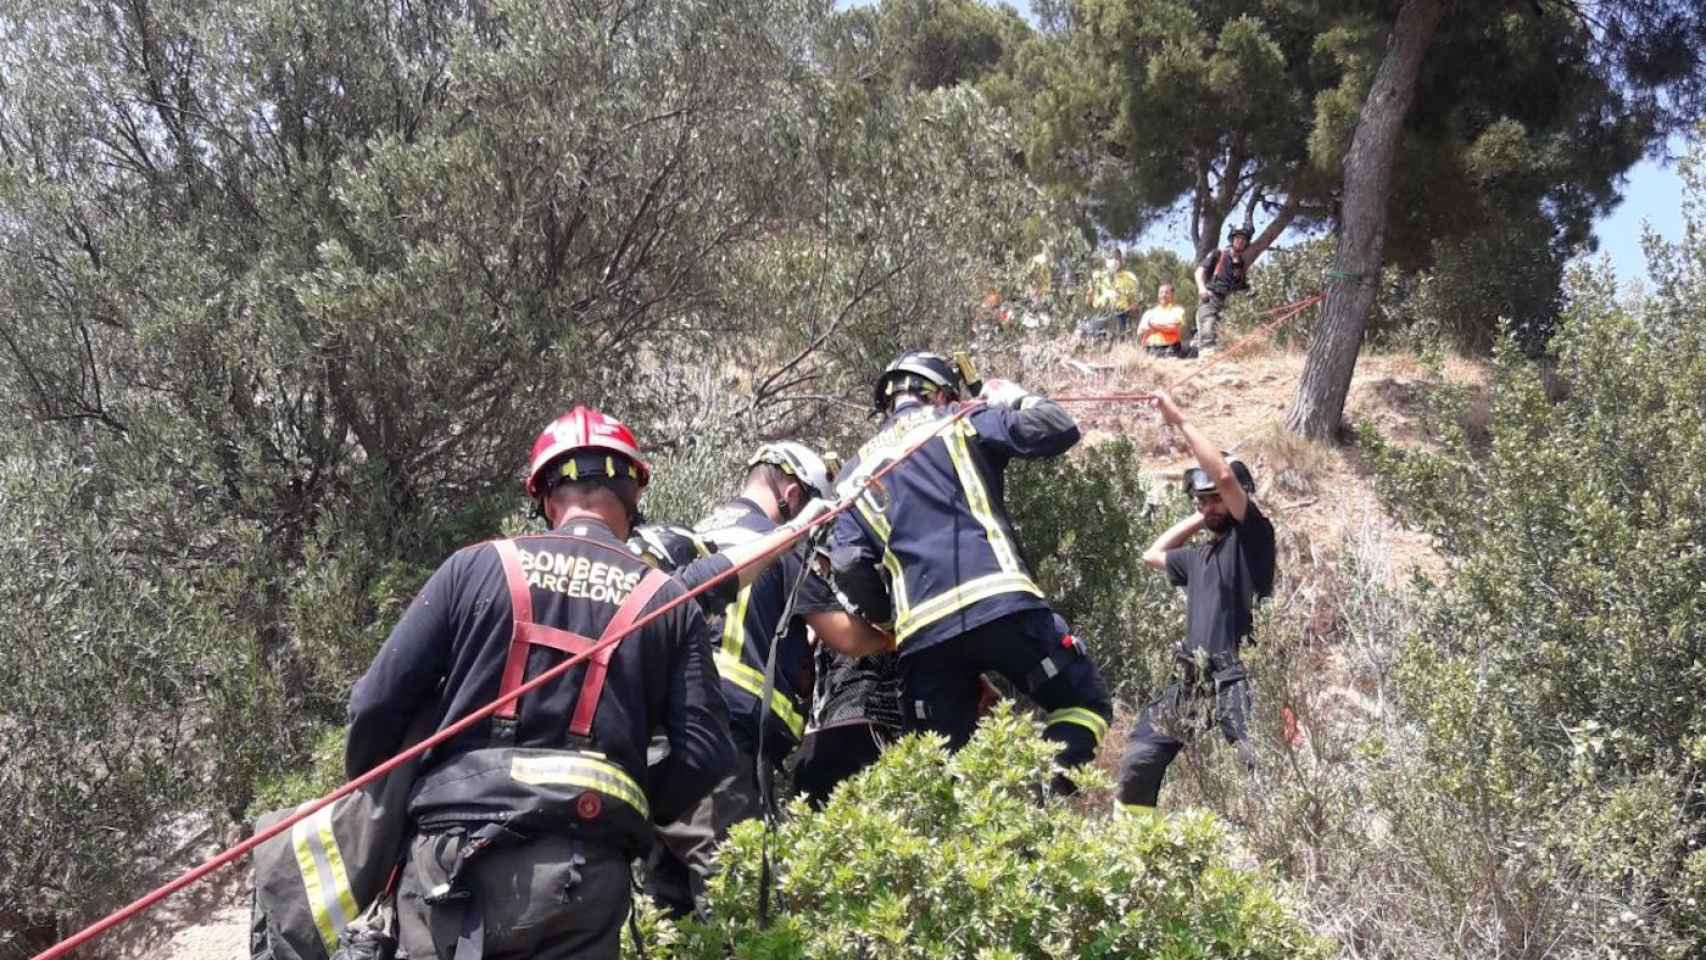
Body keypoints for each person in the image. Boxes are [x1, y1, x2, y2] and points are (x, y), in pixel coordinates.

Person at [345, 405, 737, 960]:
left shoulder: (474, 567)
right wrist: (622, 807)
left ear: (546, 497)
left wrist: (380, 806)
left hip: (450, 862)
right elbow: (705, 755)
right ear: (632, 496)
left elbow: (374, 703)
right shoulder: (667, 602)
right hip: (584, 876)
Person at [827, 351, 1114, 795]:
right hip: (1002, 604)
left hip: (923, 639)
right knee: (1083, 703)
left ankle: (972, 843)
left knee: (938, 771)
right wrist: (1012, 398)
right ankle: (1035, 804)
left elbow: (848, 566)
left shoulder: (852, 475)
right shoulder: (961, 419)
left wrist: (888, 622)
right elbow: (1058, 427)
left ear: (887, 403)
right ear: (941, 392)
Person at [644, 442, 886, 917]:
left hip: (654, 747)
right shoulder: (781, 544)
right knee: (743, 902)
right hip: (722, 745)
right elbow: (842, 634)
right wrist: (892, 640)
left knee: (667, 912)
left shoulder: (691, 539)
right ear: (793, 496)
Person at [1115, 391, 1276, 814]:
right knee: (1140, 759)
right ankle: (1135, 848)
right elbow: (1153, 554)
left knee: (1262, 772)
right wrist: (1203, 513)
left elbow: (1223, 476)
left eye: (1215, 498)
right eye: (1200, 499)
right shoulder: (1198, 558)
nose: (1208, 504)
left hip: (1240, 681)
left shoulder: (1253, 541)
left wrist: (1179, 421)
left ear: (1240, 496)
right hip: (1194, 680)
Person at [1192, 226, 1254, 355]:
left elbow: (1243, 288)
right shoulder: (1218, 254)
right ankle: (1205, 356)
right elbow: (1199, 272)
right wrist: (1202, 289)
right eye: (1238, 238)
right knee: (1208, 325)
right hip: (1211, 296)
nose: (1240, 241)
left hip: (1228, 303)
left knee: (1225, 333)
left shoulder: (1242, 265)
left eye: (1243, 239)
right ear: (1232, 239)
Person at [1078, 249, 1140, 339]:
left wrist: (1134, 314)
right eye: (1111, 258)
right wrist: (1086, 307)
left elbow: (1133, 302)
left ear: (1122, 260)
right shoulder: (1097, 276)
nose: (1114, 261)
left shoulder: (1130, 278)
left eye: (1117, 258)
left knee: (1114, 338)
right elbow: (1089, 297)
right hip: (1099, 313)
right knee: (1090, 334)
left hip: (1119, 314)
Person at [1134, 282, 1187, 358]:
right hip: (1150, 349)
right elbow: (1140, 332)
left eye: (1166, 293)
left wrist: (1153, 326)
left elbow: (1173, 328)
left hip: (1170, 349)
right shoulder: (1149, 313)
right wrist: (1164, 326)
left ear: (1172, 295)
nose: (1163, 295)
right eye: (1161, 292)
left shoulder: (1178, 311)